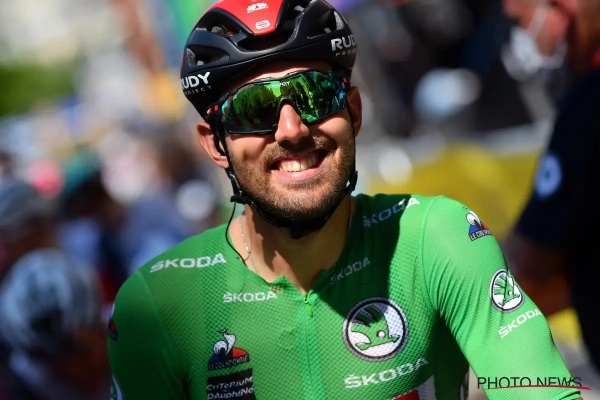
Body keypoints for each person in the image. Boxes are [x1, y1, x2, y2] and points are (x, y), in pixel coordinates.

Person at [107, 0, 583, 398]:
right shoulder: (157, 308)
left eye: (314, 95)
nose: (291, 130)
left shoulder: (437, 238)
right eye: (254, 108)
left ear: (352, 110)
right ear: (215, 144)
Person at [503, 0, 600, 373]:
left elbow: (533, 257)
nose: (526, 38)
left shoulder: (590, 98)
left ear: (563, 10)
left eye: (523, 20)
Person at [0, 248, 110, 399]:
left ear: (100, 327)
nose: (75, 372)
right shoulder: (29, 384)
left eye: (80, 352)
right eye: (57, 365)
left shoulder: (135, 333)